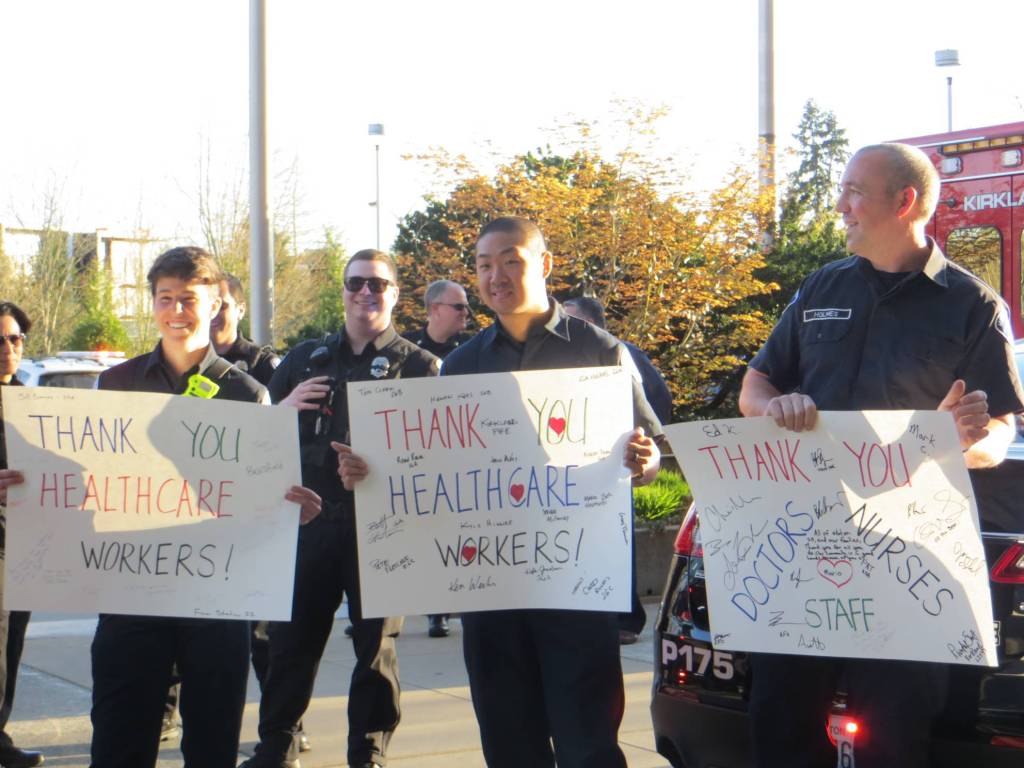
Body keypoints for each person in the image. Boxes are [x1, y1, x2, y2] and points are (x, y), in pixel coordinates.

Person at [737, 143, 1024, 768]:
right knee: (779, 727)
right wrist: (771, 410)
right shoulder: (820, 287)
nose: (840, 206)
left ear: (904, 201)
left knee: (895, 741)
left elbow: (1002, 431)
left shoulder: (973, 305)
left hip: (909, 564)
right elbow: (755, 387)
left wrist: (963, 444)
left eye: (854, 192)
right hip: (801, 551)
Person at [339, 218, 661, 768]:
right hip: (490, 591)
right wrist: (370, 474)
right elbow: (435, 469)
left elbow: (648, 453)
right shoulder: (461, 365)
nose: (496, 276)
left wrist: (646, 460)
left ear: (544, 264)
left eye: (510, 260)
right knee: (510, 743)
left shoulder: (600, 352)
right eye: (485, 265)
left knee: (589, 745)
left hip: (576, 590)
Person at [88, 246, 322, 768]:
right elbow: (85, 476)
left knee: (212, 745)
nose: (176, 311)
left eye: (188, 299)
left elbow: (262, 491)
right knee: (118, 743)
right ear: (152, 304)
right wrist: (32, 485)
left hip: (215, 598)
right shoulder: (115, 384)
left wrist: (289, 506)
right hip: (132, 591)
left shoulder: (246, 393)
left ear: (216, 303)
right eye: (165, 298)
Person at [242, 249, 439, 768]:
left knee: (376, 649)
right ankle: (277, 745)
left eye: (378, 284)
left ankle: (368, 751)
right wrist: (281, 411)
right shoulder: (305, 359)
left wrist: (382, 472)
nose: (365, 293)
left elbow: (439, 460)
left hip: (382, 531)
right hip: (308, 527)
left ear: (395, 293)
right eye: (355, 283)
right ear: (344, 291)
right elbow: (257, 446)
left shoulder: (420, 368)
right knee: (289, 645)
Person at [563, 295, 673, 644]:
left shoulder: (622, 354)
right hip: (571, 472)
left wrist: (643, 446)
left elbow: (655, 402)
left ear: (593, 326)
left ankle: (627, 618)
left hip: (614, 465)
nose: (563, 329)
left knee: (618, 540)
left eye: (572, 321)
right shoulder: (558, 360)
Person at [402, 279, 473, 638]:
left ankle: (439, 611)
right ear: (434, 309)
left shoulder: (472, 350)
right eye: (458, 307)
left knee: (446, 533)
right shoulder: (407, 351)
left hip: (455, 455)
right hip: (413, 456)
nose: (467, 313)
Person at [0, 302, 44, 768]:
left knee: (12, 646)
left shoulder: (33, 404)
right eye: (0, 339)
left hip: (28, 545)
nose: (8, 349)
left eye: (15, 340)